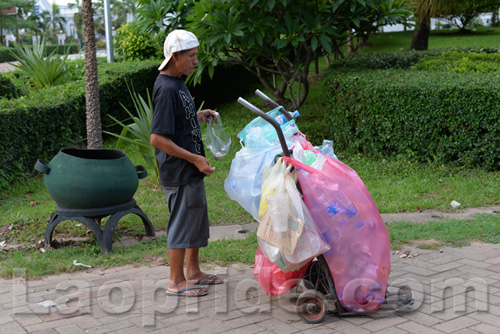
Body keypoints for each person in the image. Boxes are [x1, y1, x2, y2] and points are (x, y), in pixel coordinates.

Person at [150, 29, 223, 297]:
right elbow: (157, 138)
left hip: (190, 170)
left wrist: (198, 114)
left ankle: (192, 273)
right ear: (175, 55)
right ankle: (176, 282)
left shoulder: (177, 82)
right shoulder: (166, 89)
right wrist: (194, 158)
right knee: (181, 225)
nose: (195, 61)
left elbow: (177, 120)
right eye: (191, 56)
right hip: (179, 171)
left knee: (194, 221)